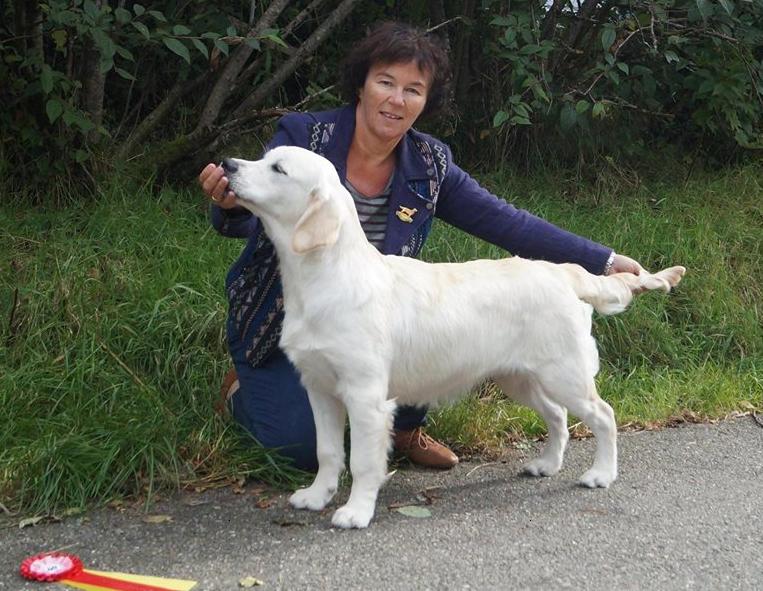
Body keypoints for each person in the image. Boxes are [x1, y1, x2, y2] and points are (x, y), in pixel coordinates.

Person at [198, 22, 644, 472]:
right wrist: (230, 204)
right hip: (285, 317)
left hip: (382, 322)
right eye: (386, 83)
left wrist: (603, 261)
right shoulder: (305, 138)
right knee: (295, 449)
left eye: (413, 89)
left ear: (426, 102)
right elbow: (256, 196)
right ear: (362, 85)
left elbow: (507, 223)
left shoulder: (430, 164)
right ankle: (243, 389)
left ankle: (402, 428)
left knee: (428, 343)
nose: (397, 99)